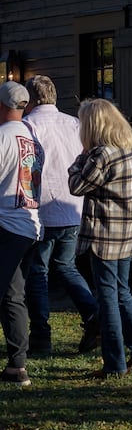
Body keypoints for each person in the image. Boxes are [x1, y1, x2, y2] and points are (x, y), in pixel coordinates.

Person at [67, 98, 132, 379]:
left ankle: (115, 364)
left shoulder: (100, 155)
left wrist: (80, 158)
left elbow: (77, 185)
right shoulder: (130, 150)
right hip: (126, 235)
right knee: (122, 292)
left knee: (108, 298)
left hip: (103, 237)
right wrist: (130, 211)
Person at [22, 76, 99, 359]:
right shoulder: (74, 124)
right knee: (66, 266)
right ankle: (93, 314)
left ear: (30, 100)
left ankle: (41, 336)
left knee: (38, 273)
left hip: (41, 210)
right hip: (73, 206)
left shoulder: (28, 127)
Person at [0, 81, 42, 386]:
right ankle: (17, 366)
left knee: (11, 295)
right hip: (29, 224)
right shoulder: (33, 138)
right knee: (14, 296)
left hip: (4, 223)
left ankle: (18, 364)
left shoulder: (1, 137)